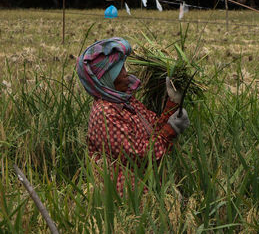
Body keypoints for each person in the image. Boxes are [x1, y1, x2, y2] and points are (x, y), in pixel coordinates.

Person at [76, 37, 190, 196]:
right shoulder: (105, 113)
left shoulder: (127, 102)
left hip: (148, 187)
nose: (126, 74)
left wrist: (172, 105)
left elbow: (153, 129)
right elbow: (139, 155)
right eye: (119, 70)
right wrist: (170, 131)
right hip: (127, 198)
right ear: (107, 79)